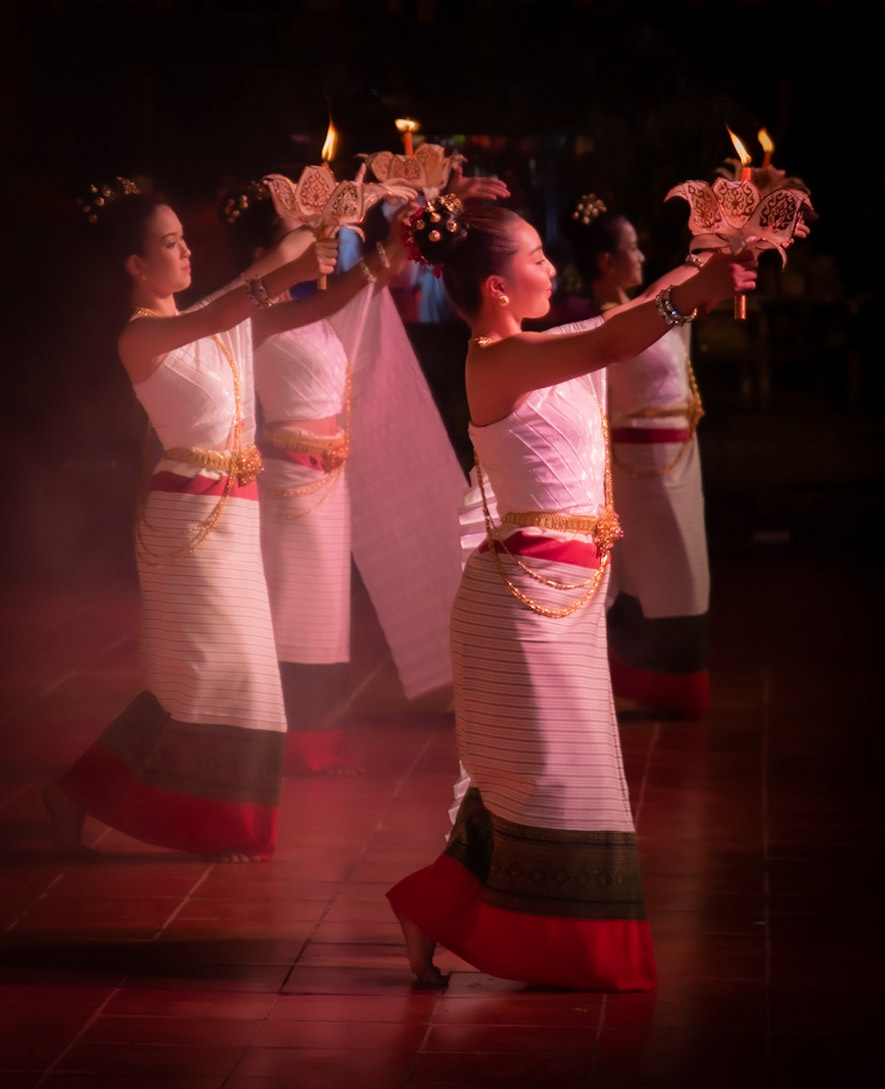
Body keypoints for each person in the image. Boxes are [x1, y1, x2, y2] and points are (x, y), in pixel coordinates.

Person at [386, 197, 756, 990]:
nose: (551, 268)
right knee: (548, 780)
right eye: (536, 258)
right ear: (495, 286)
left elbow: (628, 314)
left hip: (561, 600)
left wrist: (714, 253)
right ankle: (538, 938)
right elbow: (615, 336)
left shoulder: (545, 350)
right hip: (518, 607)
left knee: (542, 779)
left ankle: (434, 908)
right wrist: (697, 289)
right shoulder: (497, 361)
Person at [42, 179, 336, 861]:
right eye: (170, 244)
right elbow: (235, 302)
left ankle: (86, 794)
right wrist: (285, 269)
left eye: (184, 240)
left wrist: (317, 219)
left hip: (234, 515)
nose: (186, 251)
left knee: (229, 676)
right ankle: (191, 817)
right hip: (187, 525)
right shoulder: (142, 334)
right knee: (210, 676)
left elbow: (277, 261)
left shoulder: (208, 312)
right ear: (135, 264)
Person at [223, 181, 468, 774]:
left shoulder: (314, 308)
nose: (316, 242)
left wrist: (419, 221)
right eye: (297, 233)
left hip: (329, 483)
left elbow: (360, 293)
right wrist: (387, 247)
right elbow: (341, 294)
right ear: (261, 253)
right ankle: (283, 738)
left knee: (327, 617)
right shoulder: (247, 313)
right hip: (287, 484)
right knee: (294, 611)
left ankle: (318, 739)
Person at [571, 199, 710, 717]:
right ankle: (650, 673)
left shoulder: (646, 310)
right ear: (606, 262)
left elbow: (676, 302)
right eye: (632, 248)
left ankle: (674, 677)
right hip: (639, 470)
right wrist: (710, 247)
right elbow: (664, 299)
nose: (642, 255)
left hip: (679, 461)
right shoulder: (613, 320)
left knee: (688, 571)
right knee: (654, 573)